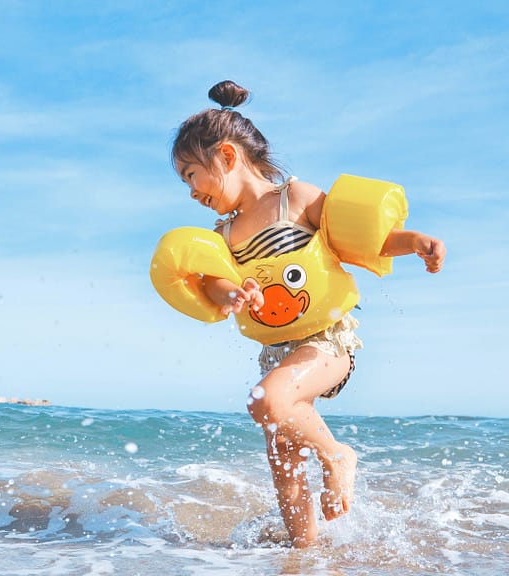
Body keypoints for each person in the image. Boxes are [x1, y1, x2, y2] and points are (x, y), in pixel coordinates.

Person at [163, 80, 445, 547]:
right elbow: (213, 281)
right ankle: (304, 555)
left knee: (265, 402)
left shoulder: (294, 200)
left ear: (227, 158)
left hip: (328, 342)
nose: (191, 191)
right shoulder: (224, 233)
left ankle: (337, 457)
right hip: (276, 353)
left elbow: (360, 239)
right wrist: (234, 293)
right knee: (284, 467)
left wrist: (414, 241)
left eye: (191, 174)